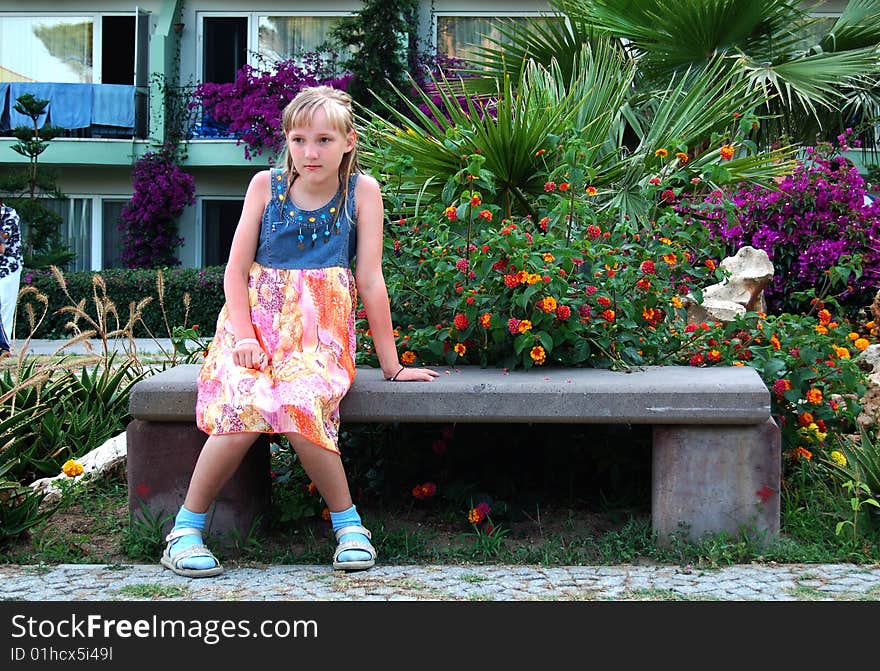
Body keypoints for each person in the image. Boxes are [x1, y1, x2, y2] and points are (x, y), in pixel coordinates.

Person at [161, 86, 439, 578]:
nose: (311, 152)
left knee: (301, 402)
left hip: (317, 337)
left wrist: (392, 366)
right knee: (244, 403)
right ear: (287, 141)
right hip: (254, 330)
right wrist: (244, 336)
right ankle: (186, 528)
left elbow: (371, 280)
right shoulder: (264, 187)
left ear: (349, 141)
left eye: (325, 140)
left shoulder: (361, 193)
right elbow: (234, 272)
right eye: (299, 139)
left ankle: (348, 525)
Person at [0, 198, 22, 354]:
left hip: (9, 268)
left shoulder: (10, 215)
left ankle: (4, 347)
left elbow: (1, 247)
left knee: (4, 306)